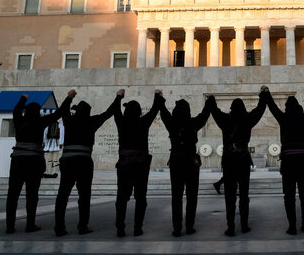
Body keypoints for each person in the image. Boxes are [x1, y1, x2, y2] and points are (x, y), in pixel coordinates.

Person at [53, 89, 119, 237]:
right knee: (84, 196)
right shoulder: (91, 121)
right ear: (88, 112)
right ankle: (83, 226)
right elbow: (109, 112)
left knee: (63, 195)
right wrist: (118, 97)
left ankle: (59, 226)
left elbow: (63, 110)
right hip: (83, 162)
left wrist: (69, 97)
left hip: (68, 161)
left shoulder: (69, 120)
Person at [6, 91, 69, 234]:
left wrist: (23, 98)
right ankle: (30, 225)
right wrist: (69, 97)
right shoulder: (40, 122)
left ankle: (10, 226)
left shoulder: (19, 121)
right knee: (32, 195)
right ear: (37, 112)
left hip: (18, 160)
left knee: (12, 195)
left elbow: (16, 111)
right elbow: (58, 113)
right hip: (34, 161)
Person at [263, 84, 304, 234]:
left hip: (288, 161)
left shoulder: (283, 118)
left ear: (287, 107)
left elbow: (272, 107)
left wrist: (266, 93)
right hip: (302, 160)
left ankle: (292, 226)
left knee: (289, 195)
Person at [207, 91, 266, 237]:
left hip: (229, 160)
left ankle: (231, 227)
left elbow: (214, 111)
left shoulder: (225, 120)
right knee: (244, 195)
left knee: (230, 196)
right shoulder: (248, 119)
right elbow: (260, 109)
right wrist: (263, 96)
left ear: (232, 108)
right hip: (243, 160)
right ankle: (244, 225)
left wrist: (212, 99)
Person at [157, 91, 211, 237]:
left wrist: (159, 97)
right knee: (192, 196)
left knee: (176, 196)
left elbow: (163, 112)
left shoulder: (172, 123)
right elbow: (205, 115)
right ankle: (189, 226)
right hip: (191, 162)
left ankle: (177, 228)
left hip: (176, 161)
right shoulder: (193, 123)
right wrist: (210, 101)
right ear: (188, 111)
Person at [112, 91, 162, 237]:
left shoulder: (121, 122)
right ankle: (137, 227)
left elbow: (116, 111)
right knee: (140, 198)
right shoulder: (143, 122)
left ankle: (120, 228)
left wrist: (118, 97)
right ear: (139, 112)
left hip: (125, 165)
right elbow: (154, 110)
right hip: (141, 166)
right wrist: (157, 96)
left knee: (122, 198)